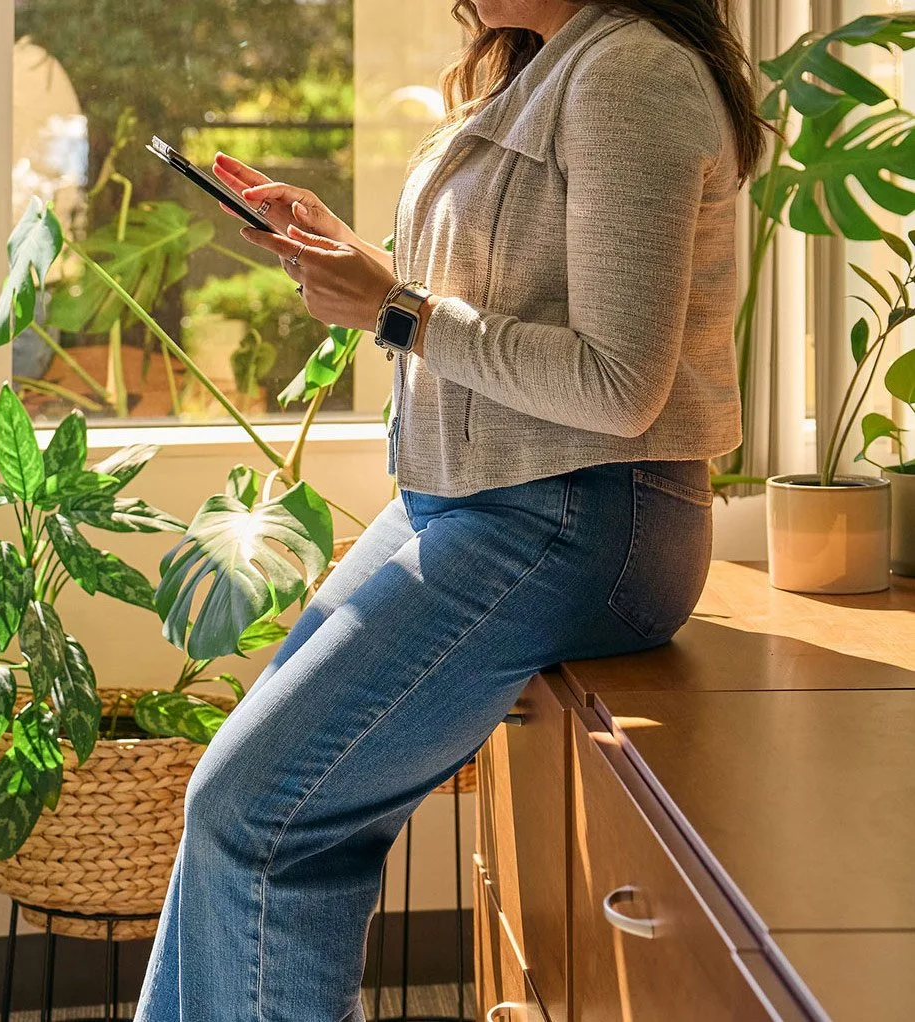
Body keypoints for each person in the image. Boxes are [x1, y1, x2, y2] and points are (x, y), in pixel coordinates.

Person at [134, 2, 762, 1020]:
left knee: (259, 817)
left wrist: (396, 305)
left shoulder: (631, 76)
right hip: (481, 501)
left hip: (575, 513)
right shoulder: (557, 66)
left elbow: (619, 385)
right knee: (244, 806)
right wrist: (356, 264)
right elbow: (504, 297)